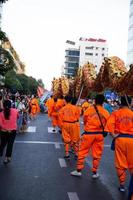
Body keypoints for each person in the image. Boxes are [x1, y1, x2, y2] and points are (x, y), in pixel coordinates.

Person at [71, 94, 110, 178]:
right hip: (99, 135)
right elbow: (108, 124)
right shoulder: (106, 112)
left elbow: (84, 120)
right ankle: (95, 172)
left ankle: (78, 170)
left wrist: (87, 127)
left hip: (89, 134)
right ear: (103, 102)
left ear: (95, 101)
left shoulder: (89, 110)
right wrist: (105, 131)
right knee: (97, 153)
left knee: (82, 151)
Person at [105, 96, 133, 192]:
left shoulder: (116, 113)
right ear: (130, 103)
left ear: (121, 102)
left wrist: (113, 135)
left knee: (120, 163)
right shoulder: (132, 114)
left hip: (120, 139)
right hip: (132, 140)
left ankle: (122, 185)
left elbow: (109, 124)